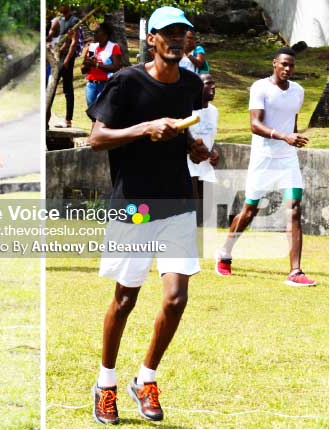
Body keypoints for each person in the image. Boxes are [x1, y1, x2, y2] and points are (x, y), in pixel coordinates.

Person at [85, 7, 212, 424]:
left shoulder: (191, 85)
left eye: (184, 34)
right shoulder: (125, 82)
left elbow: (184, 126)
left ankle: (145, 379)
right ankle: (105, 384)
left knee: (176, 299)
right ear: (151, 40)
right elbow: (97, 138)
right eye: (169, 33)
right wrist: (144, 129)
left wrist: (192, 145)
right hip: (134, 206)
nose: (178, 39)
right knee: (125, 299)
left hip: (176, 201)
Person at [216, 47, 314, 286]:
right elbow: (254, 124)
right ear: (274, 64)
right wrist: (284, 136)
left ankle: (295, 272)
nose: (287, 69)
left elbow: (293, 121)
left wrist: (295, 138)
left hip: (287, 158)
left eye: (291, 65)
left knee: (294, 208)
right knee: (250, 210)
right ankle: (225, 253)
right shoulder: (260, 88)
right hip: (263, 159)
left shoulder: (298, 91)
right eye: (284, 64)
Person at [80, 23, 122, 108]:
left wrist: (96, 64)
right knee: (91, 111)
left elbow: (116, 67)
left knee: (100, 111)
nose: (94, 34)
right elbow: (83, 69)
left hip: (105, 84)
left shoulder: (113, 47)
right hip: (91, 85)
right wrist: (87, 65)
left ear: (105, 34)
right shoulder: (92, 47)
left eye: (97, 32)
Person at [187, 73, 219, 184]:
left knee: (206, 201)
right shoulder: (187, 110)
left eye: (214, 84)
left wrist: (213, 150)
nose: (213, 87)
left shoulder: (214, 111)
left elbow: (211, 138)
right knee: (194, 201)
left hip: (206, 168)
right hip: (190, 166)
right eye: (208, 84)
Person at [55, 4, 80, 128]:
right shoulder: (60, 20)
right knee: (51, 86)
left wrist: (67, 60)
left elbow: (74, 42)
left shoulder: (74, 21)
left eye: (63, 3)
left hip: (66, 59)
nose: (60, 5)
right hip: (57, 57)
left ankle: (68, 120)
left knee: (68, 89)